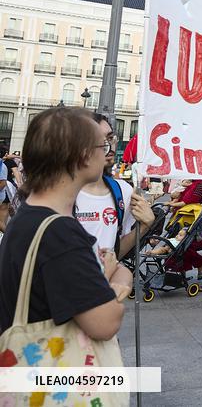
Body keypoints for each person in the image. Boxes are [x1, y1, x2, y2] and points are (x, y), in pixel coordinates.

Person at [0, 107, 131, 343]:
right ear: (83, 156)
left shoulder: (30, 213)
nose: (107, 153)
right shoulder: (60, 232)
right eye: (103, 146)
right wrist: (116, 279)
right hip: (55, 373)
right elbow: (105, 322)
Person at [74, 112, 154, 260]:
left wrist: (144, 226)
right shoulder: (62, 192)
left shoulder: (122, 190)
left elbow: (115, 254)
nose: (108, 146)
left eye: (110, 138)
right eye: (97, 139)